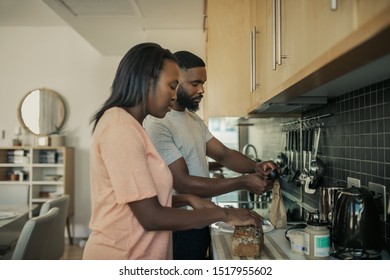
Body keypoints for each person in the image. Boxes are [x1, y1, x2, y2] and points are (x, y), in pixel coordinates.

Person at [82, 43, 262, 260]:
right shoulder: (120, 129)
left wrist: (186, 199)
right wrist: (223, 213)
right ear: (148, 82)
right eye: (171, 86)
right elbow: (151, 217)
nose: (175, 96)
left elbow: (138, 201)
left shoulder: (129, 126)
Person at [143, 50, 279, 260]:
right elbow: (183, 183)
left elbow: (224, 154)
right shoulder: (158, 123)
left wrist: (256, 167)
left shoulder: (193, 120)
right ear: (175, 81)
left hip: (201, 217)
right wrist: (243, 182)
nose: (202, 89)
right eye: (195, 83)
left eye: (203, 83)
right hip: (179, 224)